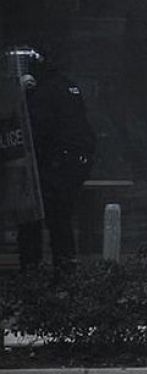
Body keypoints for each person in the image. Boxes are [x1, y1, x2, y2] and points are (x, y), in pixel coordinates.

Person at [6, 45, 95, 271]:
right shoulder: (64, 85)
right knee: (59, 221)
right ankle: (62, 270)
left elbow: (34, 130)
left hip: (49, 164)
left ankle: (34, 271)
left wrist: (22, 96)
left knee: (35, 221)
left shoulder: (43, 91)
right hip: (64, 163)